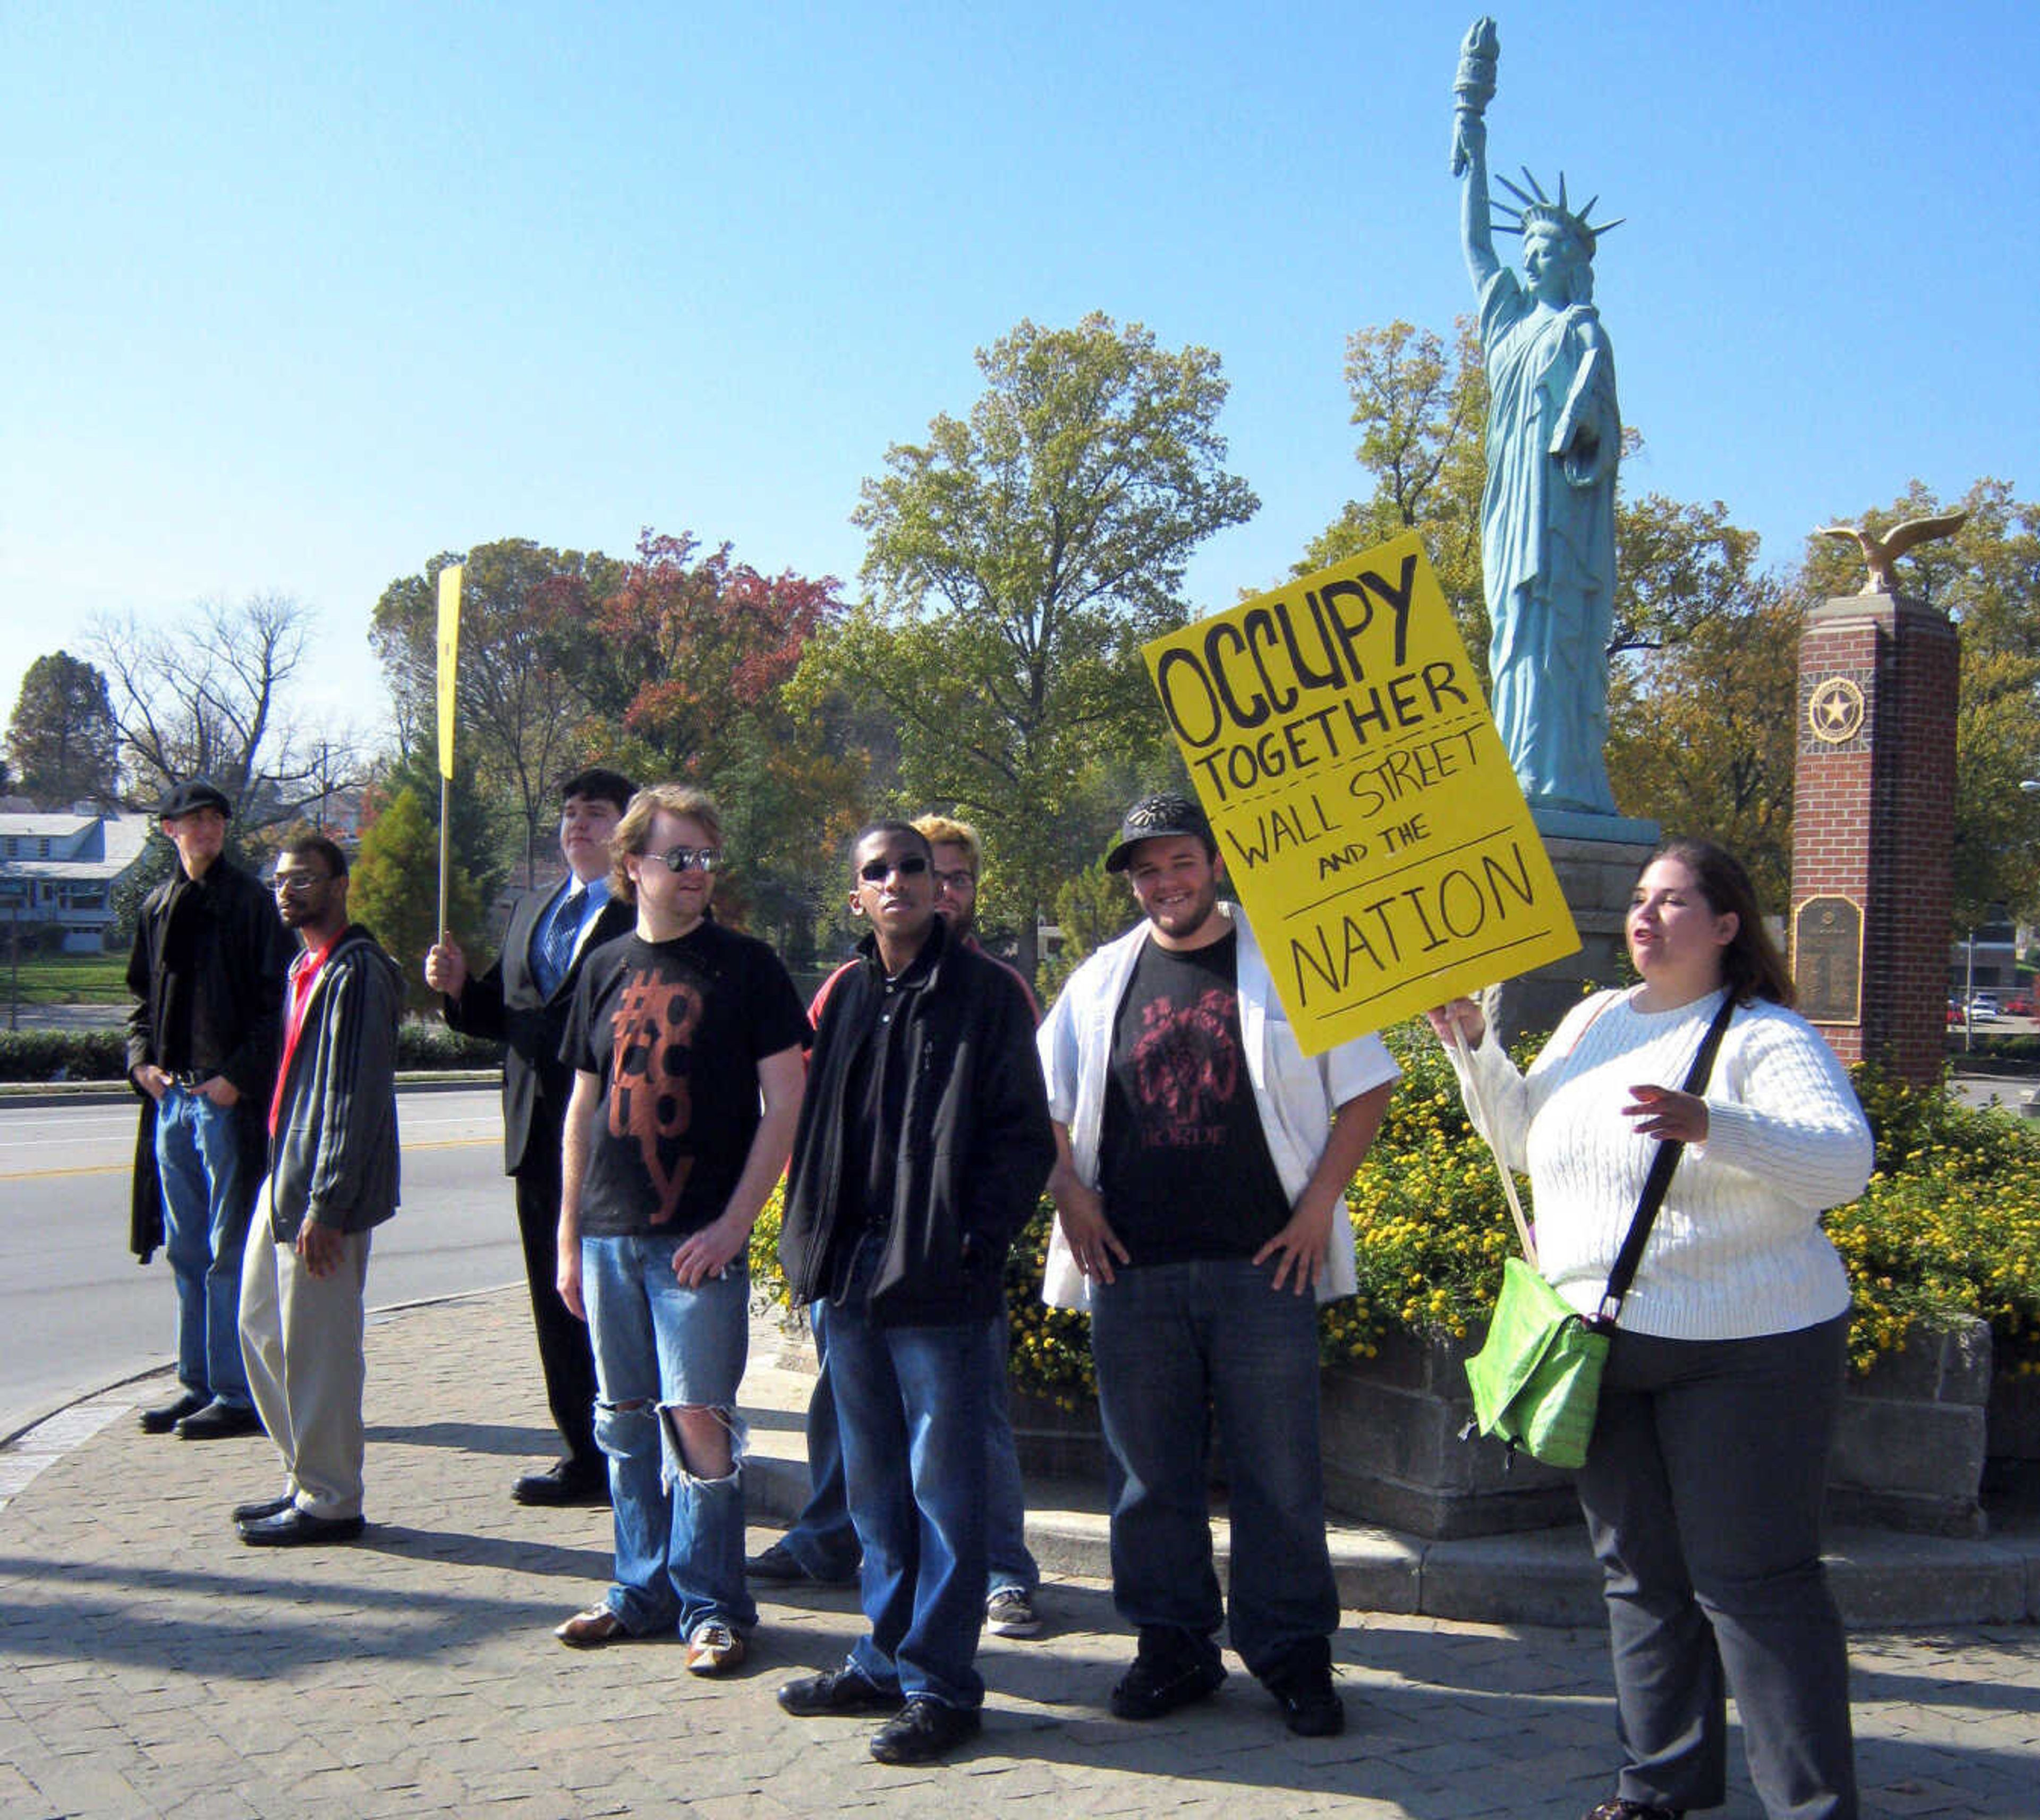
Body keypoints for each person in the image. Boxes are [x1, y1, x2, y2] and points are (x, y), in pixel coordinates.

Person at [1427, 837, 1874, 1820]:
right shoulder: (1593, 1019)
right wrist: (1474, 1048)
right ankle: (1658, 1787)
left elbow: (1844, 1166)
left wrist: (1715, 1123)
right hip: (1604, 1343)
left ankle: (1812, 1806)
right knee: (1638, 1578)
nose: (1646, 916)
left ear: (1725, 927)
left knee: (1752, 1582)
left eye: (1673, 903)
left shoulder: (1765, 1036)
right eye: (1640, 900)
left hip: (1750, 1348)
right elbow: (1521, 1139)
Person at [1037, 792, 1398, 1738]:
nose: (1165, 884)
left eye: (1179, 863)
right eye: (1147, 870)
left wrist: (1318, 1208)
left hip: (1263, 1265)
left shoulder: (1288, 961)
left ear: (1217, 863)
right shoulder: (1103, 976)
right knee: (1148, 1473)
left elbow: (1367, 1087)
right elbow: (1039, 1098)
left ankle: (1292, 1654)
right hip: (1133, 1267)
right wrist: (1069, 1193)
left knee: (1279, 1473)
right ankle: (1173, 1646)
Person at [776, 822, 1053, 1765]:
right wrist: (806, 1245)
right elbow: (810, 1127)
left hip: (940, 1286)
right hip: (848, 1282)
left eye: (912, 869)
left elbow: (1024, 1138)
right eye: (875, 872)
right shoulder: (847, 994)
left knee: (944, 1495)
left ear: (942, 887)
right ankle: (883, 1658)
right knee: (875, 1489)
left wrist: (971, 1241)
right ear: (855, 895)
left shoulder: (987, 993)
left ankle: (942, 1684)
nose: (895, 882)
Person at [549, 785, 808, 1677]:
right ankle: (638, 1589)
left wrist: (737, 1224)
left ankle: (713, 1605)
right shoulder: (604, 966)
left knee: (698, 1419)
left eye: (707, 857)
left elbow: (787, 1105)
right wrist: (566, 1239)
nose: (698, 873)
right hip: (609, 1235)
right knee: (622, 1420)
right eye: (678, 857)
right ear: (633, 867)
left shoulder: (749, 967)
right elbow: (580, 1109)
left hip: (698, 1240)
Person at [426, 767, 636, 1506]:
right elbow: (511, 1017)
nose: (578, 825)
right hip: (535, 1134)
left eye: (597, 813)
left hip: (613, 1137)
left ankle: (630, 1450)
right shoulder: (533, 909)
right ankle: (581, 1449)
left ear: (627, 827)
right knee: (557, 1297)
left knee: (612, 1299)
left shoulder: (640, 911)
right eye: (570, 813)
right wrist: (460, 991)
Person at [1454, 93, 1622, 815]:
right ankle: (1516, 765)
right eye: (1531, 244)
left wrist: (1583, 422)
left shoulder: (1583, 329)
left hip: (1559, 505)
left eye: (1550, 246)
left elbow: (1599, 425)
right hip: (1511, 496)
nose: (1533, 253)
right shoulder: (1507, 324)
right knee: (1513, 627)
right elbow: (1474, 246)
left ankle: (1561, 778)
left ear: (1575, 263)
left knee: (1556, 628)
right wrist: (1473, 135)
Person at [233, 835, 404, 1545]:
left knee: (321, 1349)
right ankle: (304, 1476)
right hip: (289, 1174)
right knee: (261, 1328)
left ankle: (333, 1499)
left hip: (322, 1191)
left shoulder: (359, 971)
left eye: (304, 878)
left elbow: (353, 1097)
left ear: (340, 884)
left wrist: (327, 1204)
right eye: (280, 880)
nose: (288, 891)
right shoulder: (307, 965)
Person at [125, 778, 292, 1441]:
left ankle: (235, 1391)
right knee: (186, 1250)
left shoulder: (250, 903)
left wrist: (237, 1080)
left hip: (223, 1102)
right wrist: (142, 1064)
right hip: (173, 1101)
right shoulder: (158, 905)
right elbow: (139, 998)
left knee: (229, 1250)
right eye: (192, 821)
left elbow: (274, 1005)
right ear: (169, 831)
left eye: (215, 820)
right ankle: (194, 1383)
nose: (206, 830)